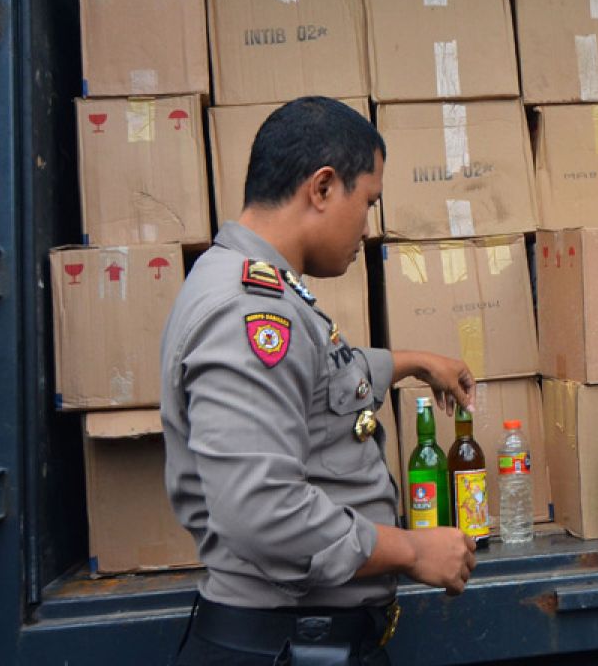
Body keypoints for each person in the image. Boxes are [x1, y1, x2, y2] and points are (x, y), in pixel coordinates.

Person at [161, 97, 478, 665]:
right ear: (323, 188)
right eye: (368, 202)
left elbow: (318, 388)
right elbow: (264, 511)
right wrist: (411, 550)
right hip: (285, 643)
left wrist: (410, 362)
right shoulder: (250, 314)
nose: (367, 226)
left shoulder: (263, 290)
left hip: (300, 640)